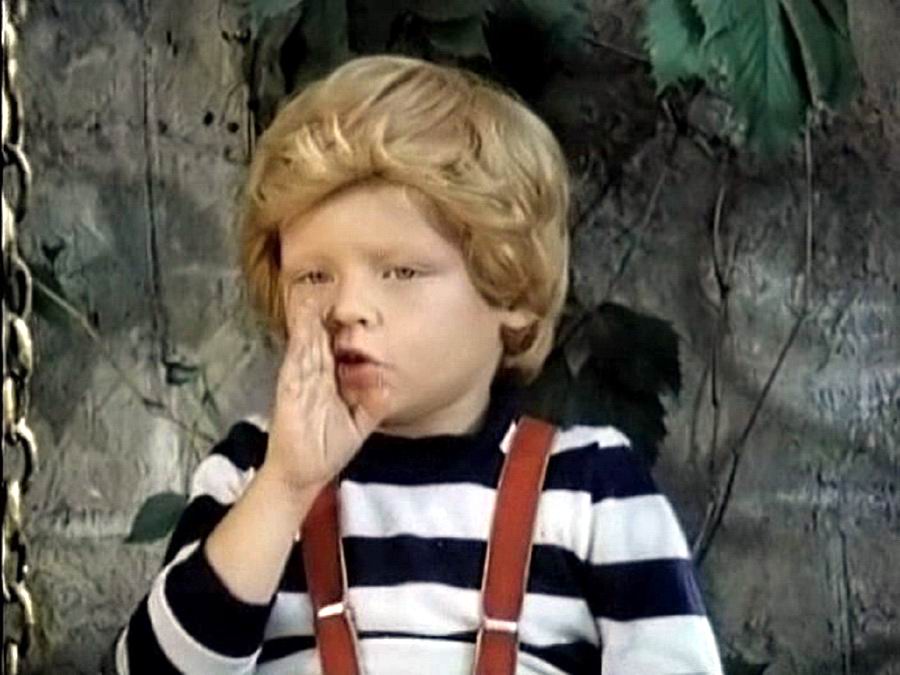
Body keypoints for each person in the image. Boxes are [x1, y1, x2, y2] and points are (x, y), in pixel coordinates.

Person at [109, 54, 722, 674]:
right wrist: (286, 488)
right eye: (314, 276)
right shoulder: (252, 474)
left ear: (509, 291)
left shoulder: (592, 490)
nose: (348, 308)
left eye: (401, 272)